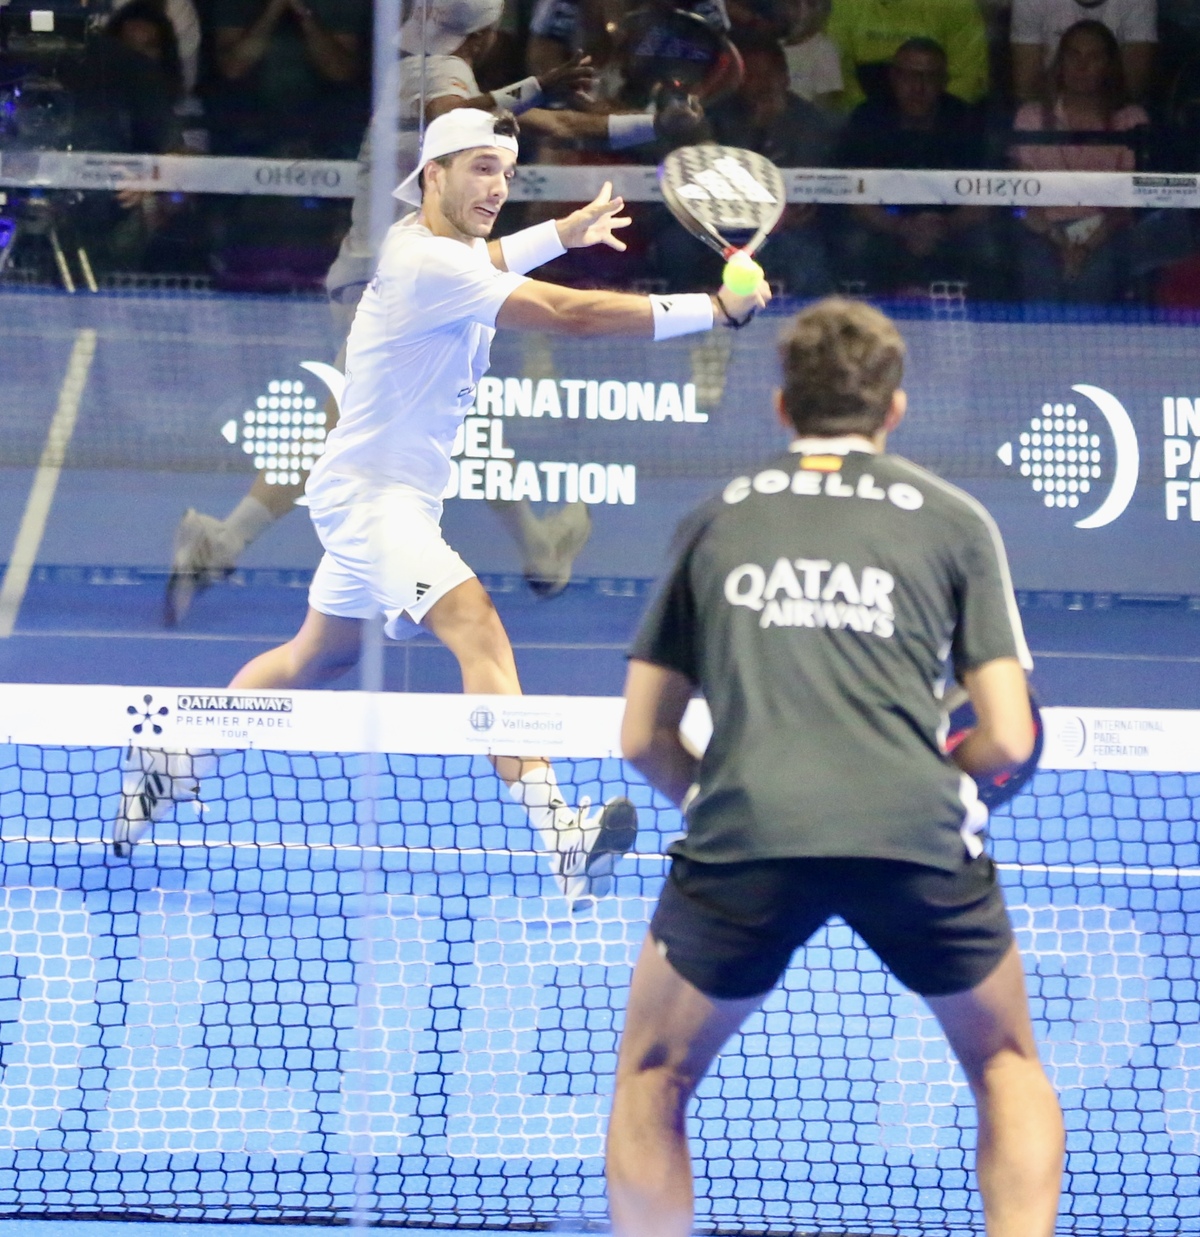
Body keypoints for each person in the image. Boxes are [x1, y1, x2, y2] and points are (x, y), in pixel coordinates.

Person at [122, 107, 771, 910]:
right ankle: (560, 832)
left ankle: (172, 756)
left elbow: (487, 258)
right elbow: (570, 314)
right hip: (371, 501)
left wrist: (559, 235)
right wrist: (716, 309)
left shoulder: (424, 248)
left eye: (506, 171)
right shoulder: (434, 267)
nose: (498, 186)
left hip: (386, 497)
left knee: (309, 659)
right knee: (475, 622)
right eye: (479, 169)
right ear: (433, 175)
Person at [606, 297, 1064, 1237]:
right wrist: (939, 785)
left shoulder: (713, 520)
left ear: (781, 408)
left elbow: (643, 735)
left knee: (654, 1074)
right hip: (915, 828)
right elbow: (1011, 739)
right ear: (893, 411)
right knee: (1006, 1064)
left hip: (746, 829)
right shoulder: (956, 521)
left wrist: (734, 794)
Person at [163, 0, 675, 624]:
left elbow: (554, 126)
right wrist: (538, 82)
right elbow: (460, 112)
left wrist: (650, 125)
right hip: (402, 286)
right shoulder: (438, 84)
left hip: (393, 284)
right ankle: (224, 544)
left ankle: (538, 550)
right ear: (486, 39)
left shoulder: (438, 78)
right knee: (361, 426)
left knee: (439, 417)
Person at [834, 38, 1000, 296]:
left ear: (944, 81)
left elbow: (988, 192)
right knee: (855, 244)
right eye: (908, 76)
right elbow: (848, 191)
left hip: (951, 225)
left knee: (988, 248)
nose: (918, 87)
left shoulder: (965, 119)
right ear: (893, 76)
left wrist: (947, 225)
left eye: (929, 77)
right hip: (883, 223)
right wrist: (899, 226)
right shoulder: (868, 118)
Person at [1012, 20, 1149, 304]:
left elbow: (1127, 205)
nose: (1081, 66)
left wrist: (1086, 246)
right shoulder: (1031, 117)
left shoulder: (1132, 121)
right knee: (1040, 271)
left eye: (1094, 57)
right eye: (1073, 55)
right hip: (1043, 229)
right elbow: (1021, 201)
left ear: (1109, 66)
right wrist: (1059, 240)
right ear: (1060, 62)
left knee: (1096, 275)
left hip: (1105, 231)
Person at [825, 0, 989, 110]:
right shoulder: (843, 4)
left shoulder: (957, 4)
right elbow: (837, 72)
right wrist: (864, 116)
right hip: (862, 121)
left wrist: (936, 116)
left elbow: (969, 77)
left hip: (939, 120)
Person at [1010, 0, 1156, 104]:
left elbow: (1134, 86)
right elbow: (1026, 88)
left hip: (1113, 115)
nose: (1082, 66)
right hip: (1048, 113)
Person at [782, 0, 843, 108]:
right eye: (793, 3)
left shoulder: (825, 51)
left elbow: (822, 107)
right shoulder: (766, 43)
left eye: (811, 4)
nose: (802, 11)